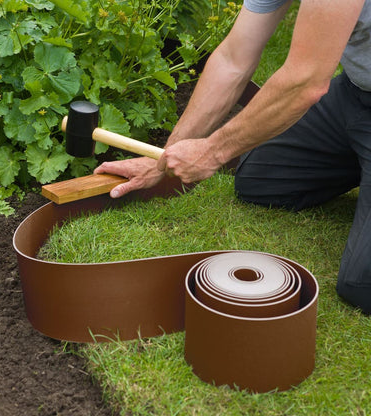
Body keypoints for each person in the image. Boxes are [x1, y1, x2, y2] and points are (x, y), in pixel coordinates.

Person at [94, 0, 371, 313]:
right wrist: (166, 154)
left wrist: (213, 151)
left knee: (362, 285)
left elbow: (306, 81)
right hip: (354, 93)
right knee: (260, 181)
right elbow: (233, 59)